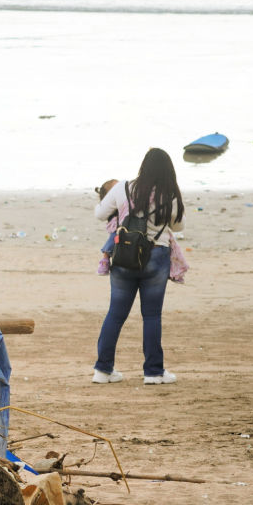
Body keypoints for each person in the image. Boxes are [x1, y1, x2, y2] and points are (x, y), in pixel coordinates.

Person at [92, 148, 185, 385]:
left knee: (115, 313)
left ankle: (103, 370)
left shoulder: (122, 187)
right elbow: (179, 226)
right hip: (156, 255)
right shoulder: (170, 195)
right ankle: (153, 372)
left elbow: (100, 214)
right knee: (152, 315)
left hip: (124, 254)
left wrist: (121, 210)